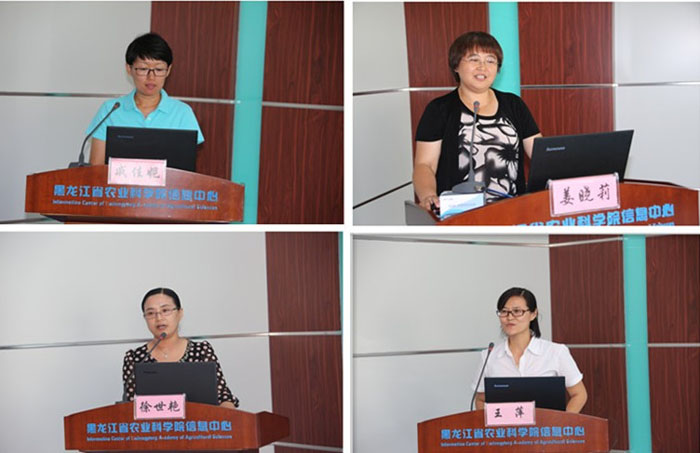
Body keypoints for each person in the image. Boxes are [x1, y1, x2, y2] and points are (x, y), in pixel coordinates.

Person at [413, 31, 542, 211]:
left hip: (512, 211)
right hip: (459, 213)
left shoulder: (514, 104)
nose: (483, 67)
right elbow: (424, 165)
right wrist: (428, 195)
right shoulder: (439, 109)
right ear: (456, 65)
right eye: (474, 59)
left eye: (490, 61)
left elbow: (540, 155)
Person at [86, 33, 204, 165]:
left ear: (168, 70)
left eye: (159, 69)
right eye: (143, 69)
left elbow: (186, 169)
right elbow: (96, 166)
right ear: (129, 69)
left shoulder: (182, 113)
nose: (151, 77)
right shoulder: (110, 110)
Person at [472, 287, 587, 413]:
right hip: (504, 426)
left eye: (517, 311)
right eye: (504, 311)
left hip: (546, 425)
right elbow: (480, 399)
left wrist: (560, 422)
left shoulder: (556, 352)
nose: (510, 317)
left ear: (533, 314)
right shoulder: (489, 356)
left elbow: (579, 394)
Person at [122, 287, 239, 408]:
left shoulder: (201, 351)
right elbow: (130, 406)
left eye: (165, 310)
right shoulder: (135, 358)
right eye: (151, 313)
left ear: (179, 313)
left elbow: (223, 397)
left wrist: (228, 415)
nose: (159, 318)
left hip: (199, 420)